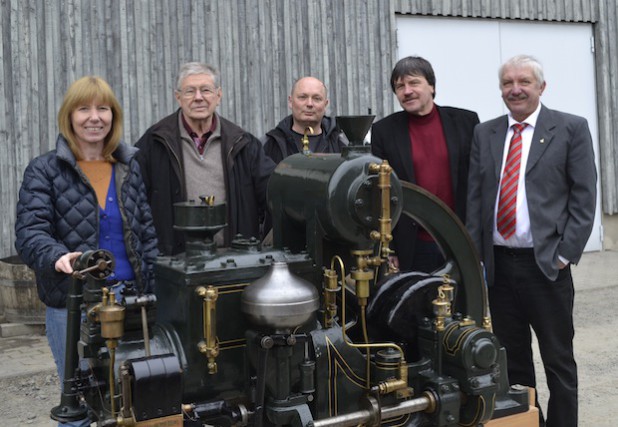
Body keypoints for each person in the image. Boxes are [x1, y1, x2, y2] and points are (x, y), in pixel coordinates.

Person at [14, 76, 158, 427]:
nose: (94, 117)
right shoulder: (45, 169)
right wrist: (56, 255)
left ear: (113, 116)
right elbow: (30, 232)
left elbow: (147, 234)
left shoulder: (129, 166)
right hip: (73, 302)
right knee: (77, 402)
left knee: (135, 399)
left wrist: (157, 290)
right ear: (69, 116)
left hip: (132, 300)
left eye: (103, 108)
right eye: (84, 109)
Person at [466, 54, 596, 427]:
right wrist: (478, 257)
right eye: (508, 83)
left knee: (558, 360)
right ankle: (527, 423)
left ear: (542, 87)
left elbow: (584, 198)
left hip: (546, 267)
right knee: (513, 361)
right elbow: (476, 198)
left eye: (524, 81)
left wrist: (564, 255)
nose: (515, 89)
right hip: (501, 268)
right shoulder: (485, 132)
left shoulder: (570, 128)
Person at [136, 62, 275, 255]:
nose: (198, 98)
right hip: (175, 263)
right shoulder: (154, 143)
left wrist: (267, 243)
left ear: (219, 96)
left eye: (206, 90)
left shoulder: (244, 143)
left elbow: (274, 194)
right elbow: (135, 205)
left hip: (233, 262)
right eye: (190, 91)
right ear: (178, 98)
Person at [371, 56, 479, 272]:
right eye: (399, 86)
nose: (407, 91)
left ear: (431, 86)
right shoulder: (384, 131)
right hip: (411, 245)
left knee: (462, 305)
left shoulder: (466, 123)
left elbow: (479, 183)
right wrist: (389, 248)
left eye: (414, 83)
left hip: (460, 240)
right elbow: (379, 193)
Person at [262, 76, 347, 164]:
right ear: (291, 102)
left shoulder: (342, 144)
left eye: (316, 98)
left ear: (325, 105)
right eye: (303, 97)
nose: (309, 104)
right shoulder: (270, 144)